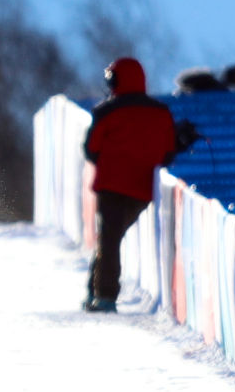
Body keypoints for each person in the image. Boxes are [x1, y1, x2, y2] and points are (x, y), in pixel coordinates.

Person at [82, 57, 177, 313]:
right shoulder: (161, 112)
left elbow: (91, 149)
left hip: (111, 186)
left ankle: (104, 295)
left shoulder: (106, 111)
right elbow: (169, 150)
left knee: (109, 241)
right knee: (111, 239)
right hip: (142, 190)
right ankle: (95, 289)